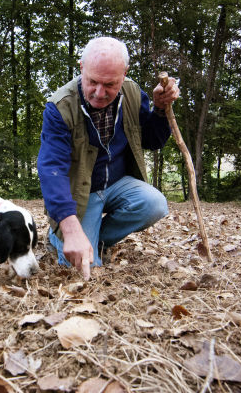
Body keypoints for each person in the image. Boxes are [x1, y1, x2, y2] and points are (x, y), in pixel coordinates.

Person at [37, 36, 180, 280]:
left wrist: (158, 109)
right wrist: (70, 229)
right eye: (92, 81)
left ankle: (96, 238)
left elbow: (152, 141)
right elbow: (52, 170)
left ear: (124, 74)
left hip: (116, 184)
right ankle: (60, 235)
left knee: (155, 204)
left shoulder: (133, 93)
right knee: (85, 269)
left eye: (110, 84)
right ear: (82, 67)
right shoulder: (60, 107)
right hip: (82, 195)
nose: (99, 93)